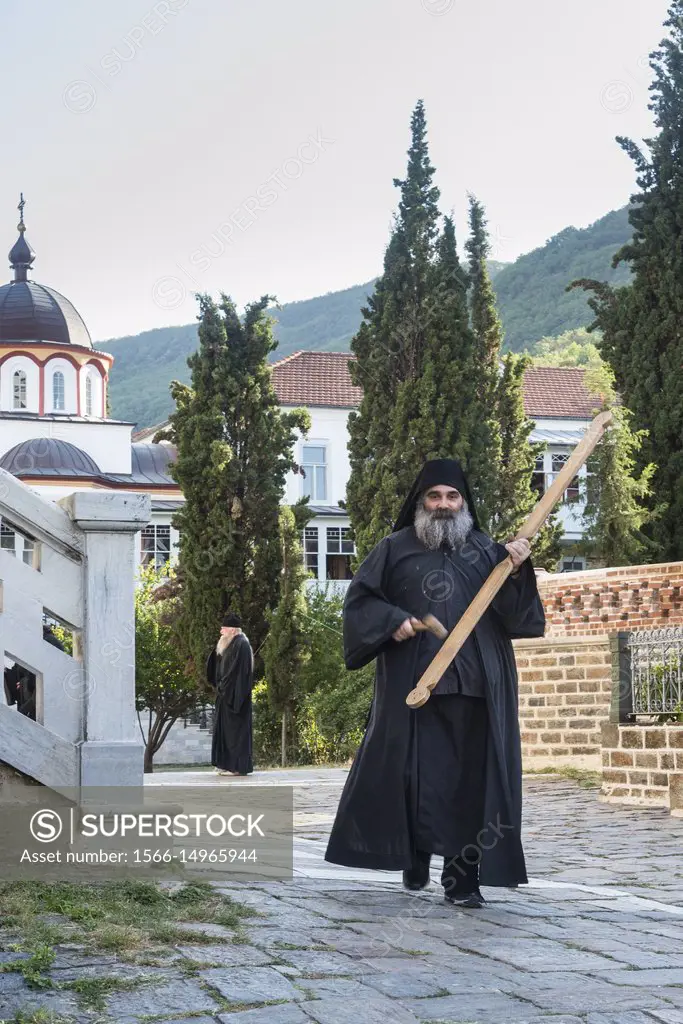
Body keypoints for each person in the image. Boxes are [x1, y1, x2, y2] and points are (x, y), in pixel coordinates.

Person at [325, 459, 545, 907]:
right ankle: (414, 855)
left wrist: (519, 571)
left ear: (464, 503)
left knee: (469, 784)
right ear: (420, 502)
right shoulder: (394, 549)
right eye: (434, 496)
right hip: (414, 686)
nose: (443, 505)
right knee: (411, 778)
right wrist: (393, 621)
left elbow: (517, 618)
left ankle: (462, 879)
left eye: (452, 497)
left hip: (476, 686)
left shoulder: (487, 552)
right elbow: (360, 602)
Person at [206, 612, 255, 776]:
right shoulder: (232, 643)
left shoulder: (241, 644)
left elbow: (237, 673)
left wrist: (224, 688)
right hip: (225, 696)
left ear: (233, 630)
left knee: (235, 734)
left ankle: (236, 768)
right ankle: (225, 764)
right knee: (225, 732)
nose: (221, 632)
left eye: (224, 629)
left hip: (235, 699)